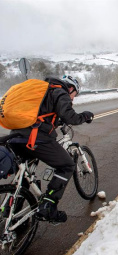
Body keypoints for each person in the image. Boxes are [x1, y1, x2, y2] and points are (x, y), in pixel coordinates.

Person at [10, 75, 94, 223]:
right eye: (74, 94)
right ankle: (49, 205)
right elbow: (70, 116)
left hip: (16, 136)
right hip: (35, 138)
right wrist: (85, 116)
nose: (73, 98)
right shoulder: (60, 91)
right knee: (67, 165)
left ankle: (13, 216)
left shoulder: (42, 91)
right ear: (71, 88)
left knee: (25, 176)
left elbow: (42, 115)